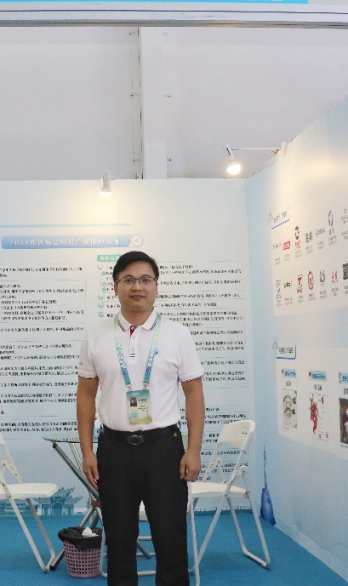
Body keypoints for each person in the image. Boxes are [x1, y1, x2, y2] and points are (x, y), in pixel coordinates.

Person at [76, 251, 205, 586]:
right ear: (115, 286)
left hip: (164, 449)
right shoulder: (96, 336)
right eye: (129, 280)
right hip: (113, 450)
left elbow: (193, 393)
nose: (137, 287)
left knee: (170, 538)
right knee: (119, 541)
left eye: (146, 279)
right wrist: (87, 450)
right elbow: (86, 394)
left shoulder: (178, 334)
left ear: (156, 286)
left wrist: (193, 450)